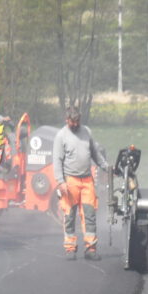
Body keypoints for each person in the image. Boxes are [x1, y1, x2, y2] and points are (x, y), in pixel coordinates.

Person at [52, 106, 108, 261]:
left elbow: (95, 153)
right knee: (69, 215)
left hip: (87, 180)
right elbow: (57, 161)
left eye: (77, 121)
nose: (75, 124)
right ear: (67, 120)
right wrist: (60, 181)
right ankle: (70, 248)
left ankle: (90, 248)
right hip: (70, 181)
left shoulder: (87, 132)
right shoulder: (61, 136)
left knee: (90, 215)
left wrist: (107, 167)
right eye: (72, 121)